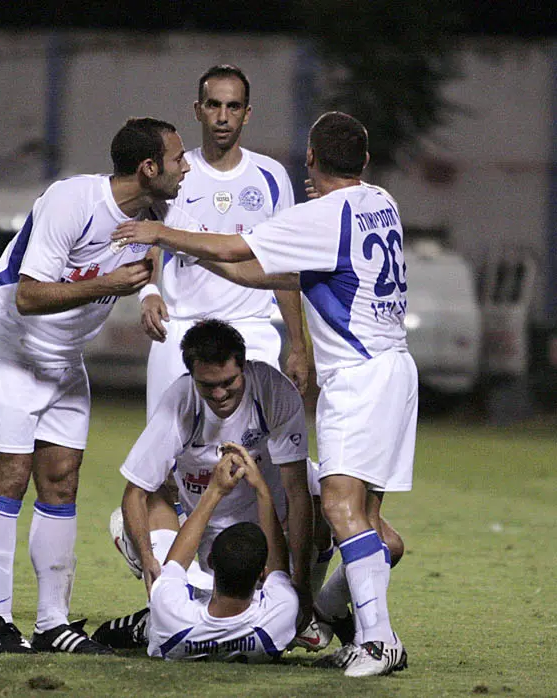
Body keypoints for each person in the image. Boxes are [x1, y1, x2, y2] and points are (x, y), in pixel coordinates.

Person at [111, 111, 417, 677]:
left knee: (342, 509)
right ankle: (331, 615)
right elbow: (276, 274)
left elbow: (238, 247)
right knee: (372, 524)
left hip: (359, 375)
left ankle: (377, 640)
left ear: (310, 159)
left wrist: (161, 233)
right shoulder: (381, 201)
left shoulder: (323, 214)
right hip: (396, 370)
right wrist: (200, 256)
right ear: (365, 162)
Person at [0, 116, 198, 654]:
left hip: (64, 357)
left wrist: (145, 295)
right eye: (177, 158)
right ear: (148, 168)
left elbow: (148, 257)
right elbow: (28, 295)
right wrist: (109, 284)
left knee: (63, 479)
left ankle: (52, 623)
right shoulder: (72, 201)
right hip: (10, 348)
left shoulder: (157, 210)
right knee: (11, 476)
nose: (185, 166)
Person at [109, 320, 314, 633]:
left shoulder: (273, 392)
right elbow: (134, 491)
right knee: (154, 492)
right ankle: (141, 548)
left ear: (243, 366)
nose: (218, 394)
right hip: (205, 532)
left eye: (228, 382)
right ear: (192, 376)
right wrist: (149, 559)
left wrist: (300, 582)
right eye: (207, 385)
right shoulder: (180, 401)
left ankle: (312, 612)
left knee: (318, 494)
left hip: (266, 527)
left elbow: (296, 491)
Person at [139, 64, 308, 419]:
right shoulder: (176, 172)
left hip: (252, 329)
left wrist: (298, 346)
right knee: (168, 456)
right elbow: (151, 237)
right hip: (183, 326)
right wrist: (149, 292)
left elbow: (284, 266)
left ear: (246, 114)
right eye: (213, 105)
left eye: (233, 107)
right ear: (197, 110)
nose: (222, 116)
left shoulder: (272, 177)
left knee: (253, 454)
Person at [146, 443, 299, 662]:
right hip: (207, 603)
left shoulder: (170, 609)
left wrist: (214, 491)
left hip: (183, 611)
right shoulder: (280, 615)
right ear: (262, 575)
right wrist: (262, 489)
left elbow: (175, 564)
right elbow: (279, 567)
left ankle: (140, 623)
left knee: (155, 499)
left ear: (210, 560)